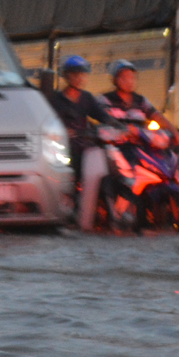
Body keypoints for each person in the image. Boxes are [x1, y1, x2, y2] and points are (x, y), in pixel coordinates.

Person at [47, 55, 113, 231]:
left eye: (83, 74)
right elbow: (48, 123)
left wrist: (120, 126)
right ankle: (70, 211)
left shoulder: (88, 98)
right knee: (71, 176)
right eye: (75, 74)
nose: (79, 78)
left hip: (85, 146)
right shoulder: (55, 100)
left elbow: (102, 116)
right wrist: (63, 132)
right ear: (66, 76)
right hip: (64, 149)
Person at [99, 59, 176, 132]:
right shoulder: (106, 99)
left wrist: (175, 133)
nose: (129, 81)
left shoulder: (141, 100)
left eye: (132, 77)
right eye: (124, 78)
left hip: (140, 142)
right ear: (115, 80)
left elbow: (157, 117)